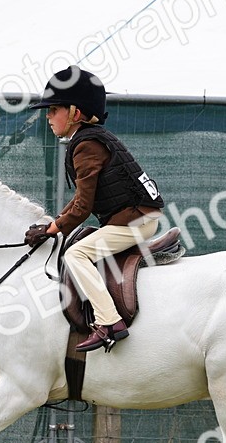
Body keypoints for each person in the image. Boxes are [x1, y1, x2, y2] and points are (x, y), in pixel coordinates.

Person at [25, 66, 164, 352]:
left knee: (77, 254)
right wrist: (55, 224)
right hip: (135, 217)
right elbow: (80, 199)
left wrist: (52, 229)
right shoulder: (89, 139)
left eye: (53, 109)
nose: (48, 116)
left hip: (135, 221)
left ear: (75, 112)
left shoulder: (87, 145)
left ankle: (109, 322)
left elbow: (83, 207)